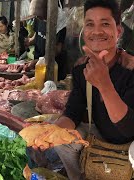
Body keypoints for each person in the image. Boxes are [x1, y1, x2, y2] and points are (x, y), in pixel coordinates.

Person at [31, 0, 134, 179]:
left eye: (105, 23)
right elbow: (73, 113)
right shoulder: (81, 69)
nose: (96, 31)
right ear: (84, 32)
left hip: (130, 145)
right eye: (89, 24)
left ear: (118, 31)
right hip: (101, 135)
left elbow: (129, 129)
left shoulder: (130, 68)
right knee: (63, 140)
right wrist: (50, 134)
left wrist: (104, 84)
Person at [24, 0, 67, 80]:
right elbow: (37, 34)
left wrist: (39, 60)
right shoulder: (38, 16)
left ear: (47, 9)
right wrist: (30, 41)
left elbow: (57, 49)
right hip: (39, 67)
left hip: (53, 70)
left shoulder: (59, 20)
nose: (37, 18)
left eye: (39, 15)